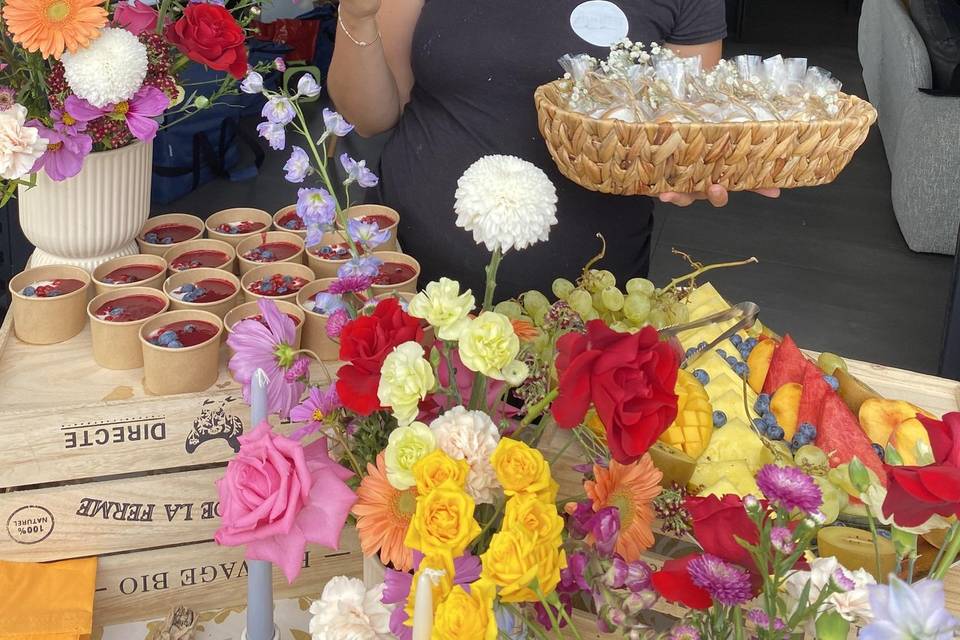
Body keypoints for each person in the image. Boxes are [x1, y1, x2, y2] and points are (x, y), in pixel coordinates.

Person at [328, 0, 779, 298]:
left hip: (581, 303)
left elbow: (682, 134)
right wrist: (356, 15)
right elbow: (370, 116)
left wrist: (694, 172)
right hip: (407, 282)